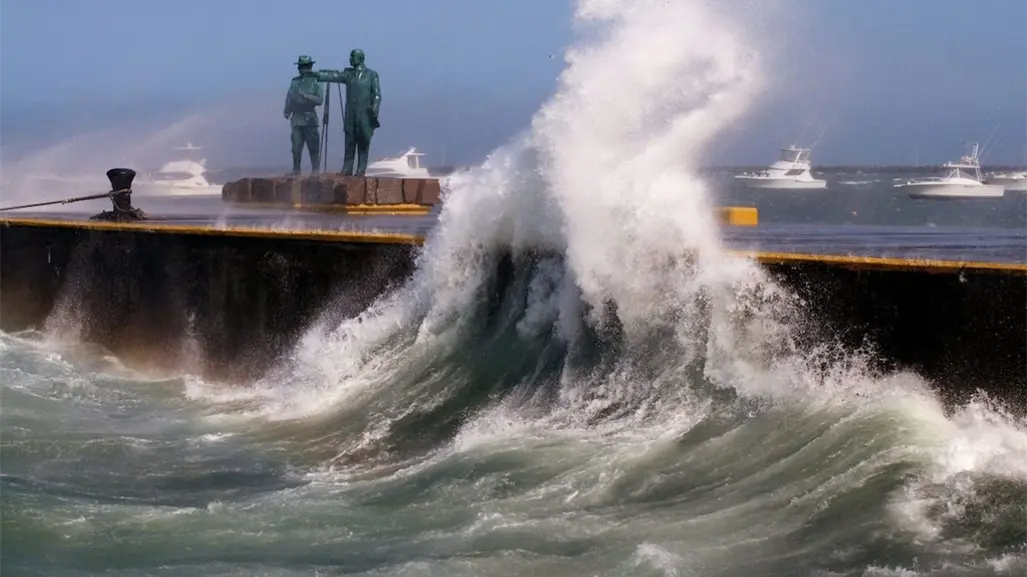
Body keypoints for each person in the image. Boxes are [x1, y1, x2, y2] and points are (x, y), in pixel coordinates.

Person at [316, 49, 381, 176]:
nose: (350, 59)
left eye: (353, 57)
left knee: (363, 142)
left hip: (365, 115)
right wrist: (316, 75)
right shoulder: (349, 74)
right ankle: (347, 168)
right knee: (350, 141)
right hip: (351, 114)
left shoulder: (371, 75)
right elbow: (334, 76)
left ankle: (361, 169)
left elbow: (377, 94)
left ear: (360, 58)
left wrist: (374, 108)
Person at [284, 55, 325, 175]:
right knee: (296, 147)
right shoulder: (295, 81)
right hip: (297, 117)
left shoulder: (316, 81)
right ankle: (296, 169)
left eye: (305, 66)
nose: (303, 69)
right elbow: (289, 97)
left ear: (310, 67)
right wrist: (287, 110)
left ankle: (315, 169)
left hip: (310, 117)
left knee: (313, 146)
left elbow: (319, 100)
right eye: (301, 67)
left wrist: (306, 96)